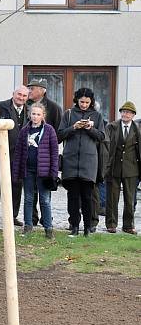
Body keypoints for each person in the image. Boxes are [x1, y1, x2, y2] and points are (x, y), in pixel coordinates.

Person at [58, 87, 105, 237]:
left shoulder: (97, 116)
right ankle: (74, 226)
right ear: (77, 100)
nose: (84, 104)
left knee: (87, 196)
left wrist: (90, 128)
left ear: (91, 102)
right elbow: (59, 135)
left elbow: (102, 136)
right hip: (70, 161)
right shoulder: (69, 114)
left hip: (89, 162)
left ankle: (87, 227)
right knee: (72, 196)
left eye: (87, 102)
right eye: (81, 101)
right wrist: (74, 127)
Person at [0, 86, 30, 227]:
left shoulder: (29, 110)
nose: (21, 97)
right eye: (19, 94)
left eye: (24, 96)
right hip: (2, 152)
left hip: (20, 155)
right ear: (13, 94)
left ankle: (12, 215)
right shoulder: (1, 106)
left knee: (16, 185)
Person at [12, 104, 59, 238]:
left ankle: (48, 228)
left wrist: (54, 172)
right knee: (28, 198)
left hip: (44, 172)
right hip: (29, 170)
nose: (35, 117)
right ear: (29, 115)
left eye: (38, 114)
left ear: (43, 115)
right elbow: (19, 152)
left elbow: (54, 153)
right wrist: (17, 172)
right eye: (33, 114)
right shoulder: (24, 131)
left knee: (44, 200)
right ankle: (28, 226)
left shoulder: (49, 130)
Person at [104, 101, 141, 234]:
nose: (125, 114)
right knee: (112, 198)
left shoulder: (137, 129)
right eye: (124, 112)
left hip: (131, 169)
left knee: (130, 199)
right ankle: (111, 224)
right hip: (114, 167)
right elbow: (106, 146)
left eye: (129, 112)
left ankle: (128, 226)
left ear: (133, 115)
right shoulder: (112, 126)